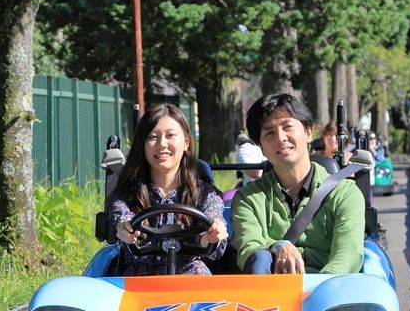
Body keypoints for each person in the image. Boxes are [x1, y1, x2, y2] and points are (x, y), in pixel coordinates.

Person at [231, 93, 365, 275]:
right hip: (271, 295)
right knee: (261, 258)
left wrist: (317, 293)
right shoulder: (247, 198)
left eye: (287, 127)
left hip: (327, 293)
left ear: (308, 132)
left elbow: (347, 255)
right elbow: (248, 248)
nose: (280, 138)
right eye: (269, 133)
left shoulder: (345, 193)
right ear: (261, 147)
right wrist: (277, 246)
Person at [108, 103, 228, 275]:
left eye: (170, 135)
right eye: (152, 137)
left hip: (190, 275)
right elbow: (120, 218)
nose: (162, 144)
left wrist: (212, 235)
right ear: (142, 145)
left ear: (187, 142)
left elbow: (213, 220)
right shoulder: (126, 194)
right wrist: (124, 227)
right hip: (138, 280)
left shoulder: (206, 195)